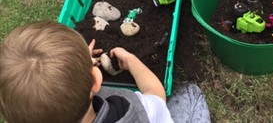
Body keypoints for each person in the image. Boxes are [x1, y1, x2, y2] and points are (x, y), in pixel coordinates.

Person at [0, 21, 210, 123]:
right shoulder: (129, 109)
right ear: (95, 79)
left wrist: (78, 64)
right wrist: (132, 61)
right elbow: (156, 94)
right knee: (191, 93)